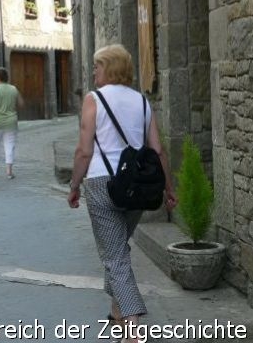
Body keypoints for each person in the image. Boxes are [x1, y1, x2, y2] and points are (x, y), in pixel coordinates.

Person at [66, 44, 177, 342]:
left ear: (110, 68)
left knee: (115, 257)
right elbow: (158, 150)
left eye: (97, 66)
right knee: (117, 248)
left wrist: (74, 186)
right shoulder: (142, 101)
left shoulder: (94, 100)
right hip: (136, 188)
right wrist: (169, 188)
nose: (93, 71)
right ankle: (117, 312)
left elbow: (83, 150)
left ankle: (133, 331)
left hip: (102, 184)